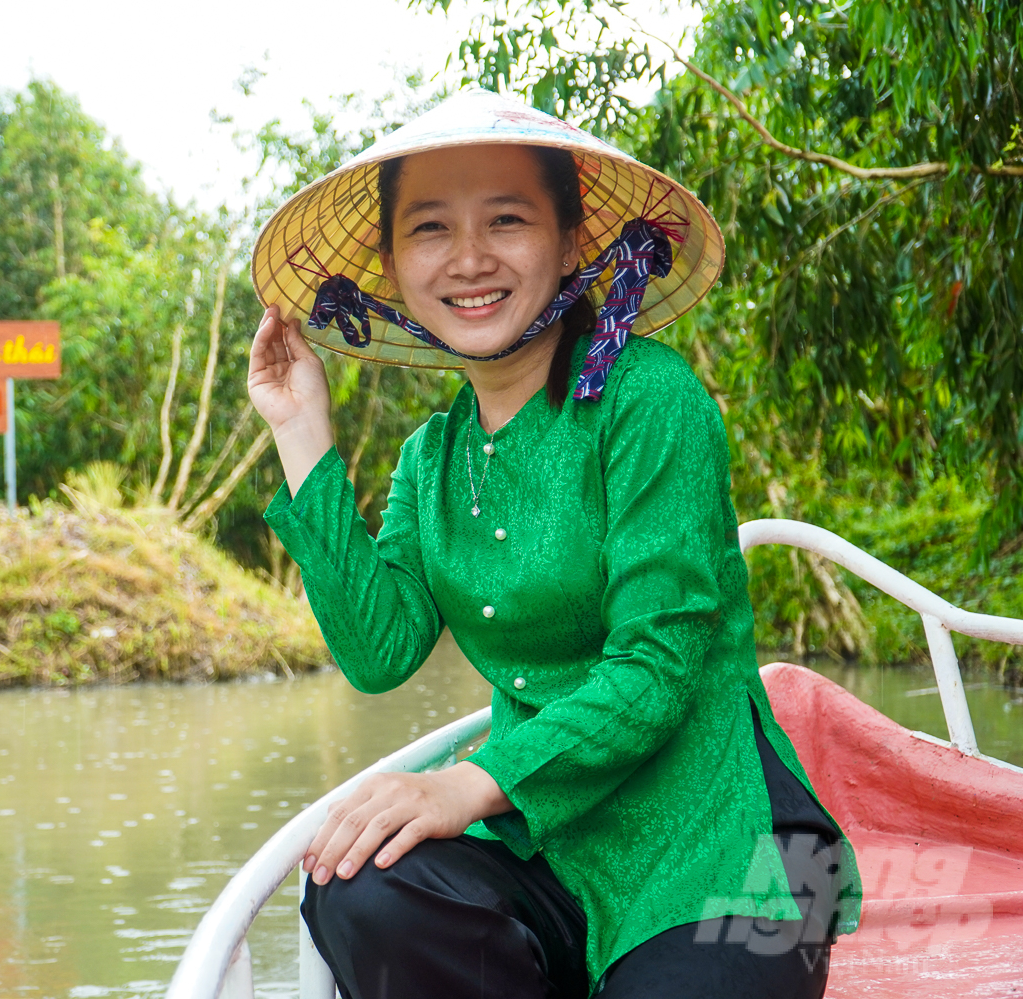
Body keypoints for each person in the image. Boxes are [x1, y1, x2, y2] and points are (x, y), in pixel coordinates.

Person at [245, 91, 861, 999]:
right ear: (391, 265)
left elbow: (656, 670)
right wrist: (302, 435)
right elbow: (377, 656)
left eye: (507, 219)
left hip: (725, 845)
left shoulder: (651, 403)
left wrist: (470, 782)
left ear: (572, 240)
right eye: (429, 230)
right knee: (355, 889)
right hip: (548, 845)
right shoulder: (435, 457)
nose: (468, 259)